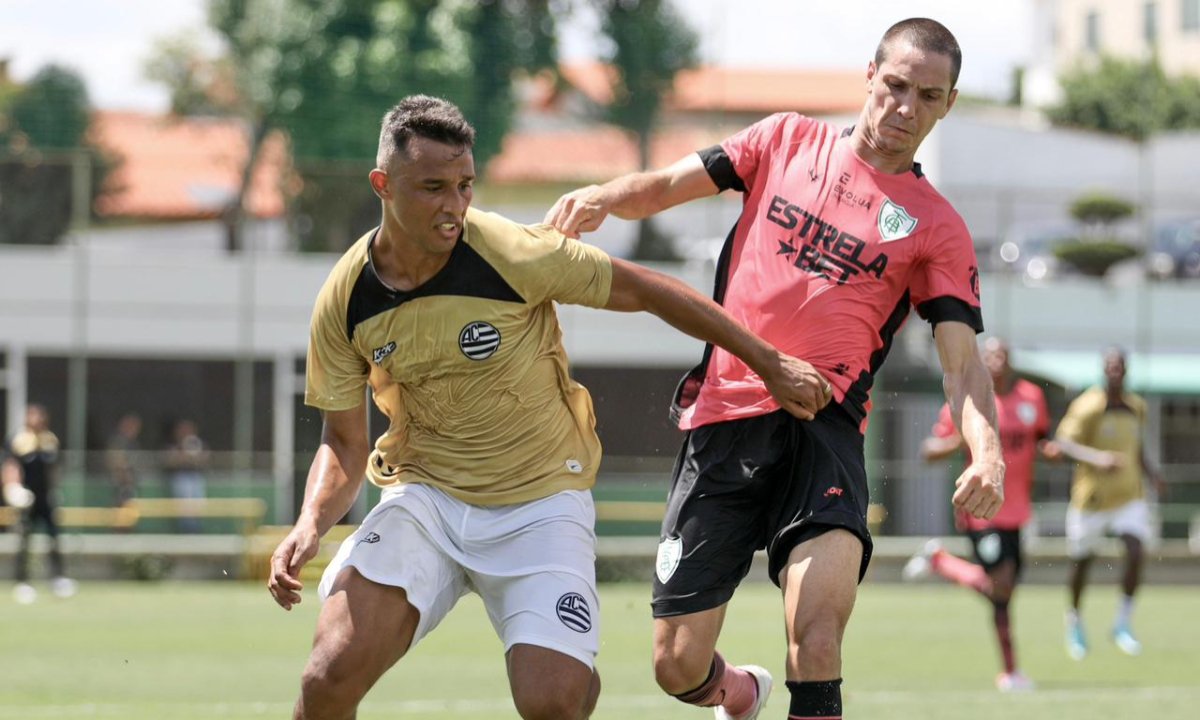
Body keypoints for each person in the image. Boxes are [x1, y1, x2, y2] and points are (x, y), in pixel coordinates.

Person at [266, 95, 828, 720]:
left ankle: (574, 669)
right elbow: (343, 444)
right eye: (432, 188)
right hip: (424, 497)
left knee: (553, 703)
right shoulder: (346, 299)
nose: (454, 206)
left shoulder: (513, 253)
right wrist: (310, 524)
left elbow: (648, 290)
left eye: (464, 186)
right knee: (326, 677)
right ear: (383, 185)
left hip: (538, 504)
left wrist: (768, 363)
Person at [545, 18, 1005, 720]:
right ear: (870, 78)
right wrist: (605, 196)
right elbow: (666, 185)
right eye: (896, 85)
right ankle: (738, 692)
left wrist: (988, 449)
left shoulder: (935, 227)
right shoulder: (786, 138)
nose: (906, 106)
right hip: (724, 423)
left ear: (947, 105)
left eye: (928, 95)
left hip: (823, 435)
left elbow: (962, 362)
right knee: (675, 664)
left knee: (816, 642)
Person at [903, 338, 1056, 692]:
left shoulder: (1032, 397)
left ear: (1011, 361)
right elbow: (929, 450)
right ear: (980, 363)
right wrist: (957, 441)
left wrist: (1052, 450)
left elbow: (1041, 438)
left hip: (1017, 511)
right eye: (988, 356)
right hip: (980, 510)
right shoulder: (969, 404)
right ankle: (1011, 673)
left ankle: (940, 561)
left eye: (1001, 354)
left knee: (1004, 593)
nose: (995, 360)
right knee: (1001, 587)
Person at [1055, 347, 1165, 660]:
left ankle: (1122, 622)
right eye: (1109, 366)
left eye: (1119, 367)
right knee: (1083, 562)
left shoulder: (1136, 407)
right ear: (1103, 370)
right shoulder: (1087, 406)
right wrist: (1097, 458)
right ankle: (1074, 620)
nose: (1114, 371)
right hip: (1091, 499)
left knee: (1136, 549)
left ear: (1126, 371)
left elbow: (1136, 448)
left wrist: (1152, 475)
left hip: (1129, 497)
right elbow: (1064, 443)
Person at [2, 404, 75, 604]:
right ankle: (23, 581)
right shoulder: (19, 440)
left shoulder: (49, 440)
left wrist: (55, 490)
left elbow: (54, 469)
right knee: (25, 539)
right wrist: (13, 488)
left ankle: (59, 578)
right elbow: (10, 466)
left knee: (54, 536)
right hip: (27, 499)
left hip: (45, 497)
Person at [162, 419, 210, 533]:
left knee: (197, 505)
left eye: (188, 429)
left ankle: (195, 530)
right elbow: (169, 461)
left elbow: (205, 459)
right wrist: (182, 456)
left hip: (195, 476)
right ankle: (187, 531)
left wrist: (194, 458)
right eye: (183, 430)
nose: (186, 432)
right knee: (185, 506)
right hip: (181, 477)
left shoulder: (198, 443)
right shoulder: (173, 445)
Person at [105, 412, 143, 507]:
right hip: (118, 483)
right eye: (130, 426)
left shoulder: (134, 443)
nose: (133, 429)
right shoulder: (117, 441)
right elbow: (115, 462)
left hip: (130, 484)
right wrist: (124, 473)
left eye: (135, 427)